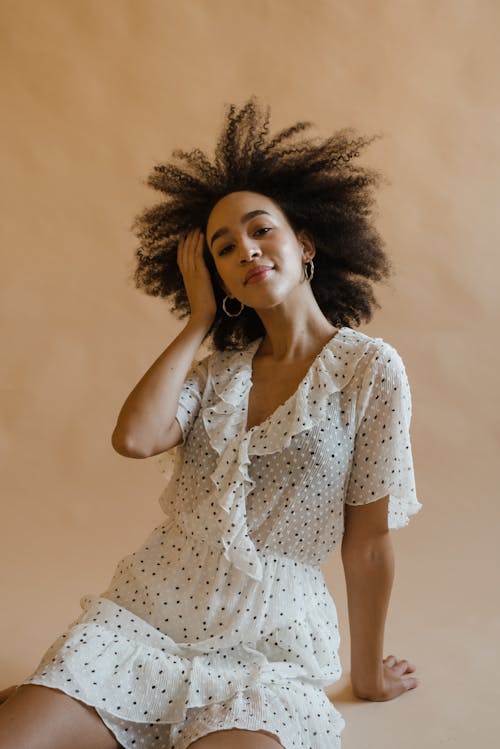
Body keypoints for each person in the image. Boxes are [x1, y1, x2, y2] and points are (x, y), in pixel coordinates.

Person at [0, 98, 422, 749]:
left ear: (304, 242)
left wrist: (366, 675)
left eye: (261, 230)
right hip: (146, 617)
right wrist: (197, 321)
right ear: (217, 278)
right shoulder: (214, 374)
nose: (247, 250)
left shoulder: (368, 371)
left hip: (269, 649)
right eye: (225, 248)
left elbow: (367, 544)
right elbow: (134, 437)